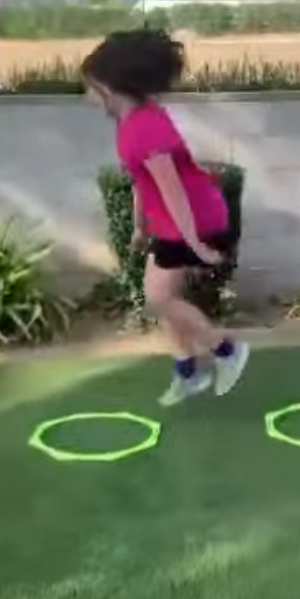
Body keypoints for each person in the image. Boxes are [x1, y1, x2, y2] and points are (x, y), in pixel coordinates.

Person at [81, 29, 249, 407]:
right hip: (174, 222)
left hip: (194, 220)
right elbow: (143, 182)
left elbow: (173, 190)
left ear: (107, 87)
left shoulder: (144, 128)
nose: (87, 97)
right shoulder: (133, 123)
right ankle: (187, 373)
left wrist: (196, 245)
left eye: (89, 89)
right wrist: (141, 226)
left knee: (158, 298)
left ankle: (226, 351)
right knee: (160, 297)